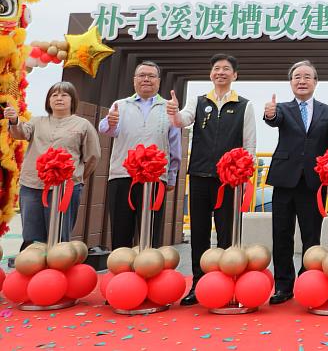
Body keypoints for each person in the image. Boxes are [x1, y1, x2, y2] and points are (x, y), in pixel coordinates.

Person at [166, 53, 256, 306]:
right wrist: (173, 113)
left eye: (226, 69)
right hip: (200, 175)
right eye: (217, 68)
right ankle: (199, 283)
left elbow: (249, 144)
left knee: (227, 232)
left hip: (230, 180)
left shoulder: (245, 105)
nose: (221, 73)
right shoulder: (197, 101)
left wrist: (244, 176)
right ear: (211, 74)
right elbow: (182, 121)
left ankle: (226, 283)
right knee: (199, 232)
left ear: (234, 75)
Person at [264, 60, 328, 305]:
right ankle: (283, 286)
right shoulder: (281, 109)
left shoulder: (327, 111)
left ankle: (309, 284)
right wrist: (270, 114)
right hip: (285, 179)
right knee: (281, 234)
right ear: (291, 82)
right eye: (297, 77)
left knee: (311, 236)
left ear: (316, 82)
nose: (302, 81)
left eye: (307, 77)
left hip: (314, 183)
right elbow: (273, 120)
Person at [5, 81, 101, 251]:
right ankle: (31, 263)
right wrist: (14, 120)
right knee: (31, 236)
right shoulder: (36, 121)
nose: (59, 98)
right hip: (32, 185)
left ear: (73, 100)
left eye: (64, 95)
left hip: (66, 188)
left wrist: (76, 178)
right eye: (54, 95)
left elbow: (93, 156)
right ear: (48, 101)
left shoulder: (82, 125)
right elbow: (20, 132)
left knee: (59, 237)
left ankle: (58, 265)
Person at [98, 61, 181, 249]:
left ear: (158, 81)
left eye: (151, 76)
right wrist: (110, 122)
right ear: (134, 80)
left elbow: (174, 145)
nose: (146, 79)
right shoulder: (120, 105)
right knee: (120, 233)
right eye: (142, 75)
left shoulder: (168, 107)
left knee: (150, 234)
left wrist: (171, 176)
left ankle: (149, 266)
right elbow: (106, 129)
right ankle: (122, 267)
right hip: (122, 175)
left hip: (155, 178)